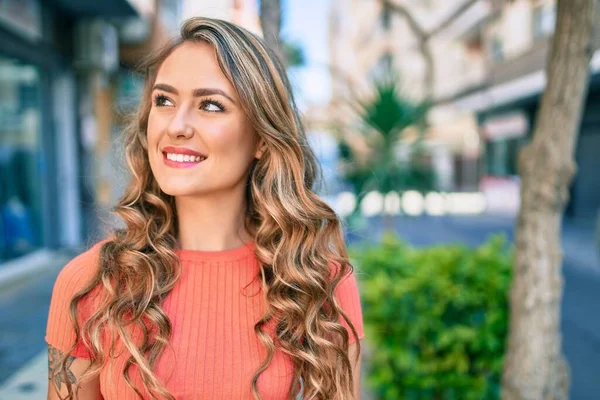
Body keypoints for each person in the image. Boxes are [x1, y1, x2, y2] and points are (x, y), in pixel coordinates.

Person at [46, 16, 364, 400]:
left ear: (262, 138)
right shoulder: (90, 281)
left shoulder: (317, 281)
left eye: (210, 105)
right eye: (164, 100)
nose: (176, 125)